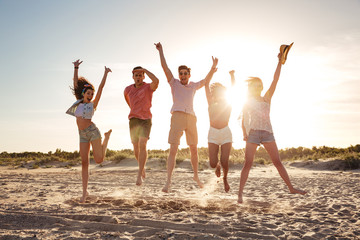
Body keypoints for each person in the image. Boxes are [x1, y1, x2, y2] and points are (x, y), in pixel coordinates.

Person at [238, 50, 306, 203]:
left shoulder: (267, 98)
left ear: (261, 87)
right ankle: (240, 194)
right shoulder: (247, 101)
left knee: (277, 162)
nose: (256, 87)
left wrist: (279, 62)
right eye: (253, 85)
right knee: (247, 163)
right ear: (250, 88)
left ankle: (291, 188)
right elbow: (244, 118)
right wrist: (244, 133)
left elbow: (275, 79)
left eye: (258, 85)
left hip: (268, 133)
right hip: (254, 133)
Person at [155, 42, 216, 192]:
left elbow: (206, 81)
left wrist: (212, 69)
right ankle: (168, 181)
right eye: (180, 73)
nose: (182, 75)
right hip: (177, 116)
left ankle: (196, 176)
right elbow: (165, 67)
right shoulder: (174, 83)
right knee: (173, 149)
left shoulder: (193, 85)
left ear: (189, 75)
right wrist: (161, 51)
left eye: (185, 73)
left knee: (194, 149)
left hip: (191, 118)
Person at [66, 59, 112, 203]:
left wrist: (105, 73)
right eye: (89, 93)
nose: (91, 95)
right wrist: (76, 68)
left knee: (99, 160)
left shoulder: (93, 105)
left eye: (92, 94)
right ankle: (84, 192)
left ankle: (106, 138)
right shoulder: (79, 102)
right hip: (82, 135)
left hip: (92, 132)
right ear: (83, 93)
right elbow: (75, 84)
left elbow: (101, 88)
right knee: (84, 163)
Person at [124, 66, 159, 186]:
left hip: (146, 120)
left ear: (143, 76)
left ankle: (139, 175)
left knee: (142, 144)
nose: (138, 77)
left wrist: (145, 69)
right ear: (133, 77)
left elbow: (156, 81)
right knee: (135, 148)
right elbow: (128, 101)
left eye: (140, 75)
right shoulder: (127, 89)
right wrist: (134, 109)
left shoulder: (148, 87)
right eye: (136, 75)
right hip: (133, 120)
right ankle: (142, 167)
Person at [205, 65, 235, 193]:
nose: (216, 95)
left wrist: (232, 76)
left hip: (225, 133)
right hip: (213, 133)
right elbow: (206, 85)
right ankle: (217, 166)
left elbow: (234, 90)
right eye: (214, 93)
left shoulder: (228, 102)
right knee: (213, 163)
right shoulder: (210, 102)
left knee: (224, 160)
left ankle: (225, 179)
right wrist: (211, 70)